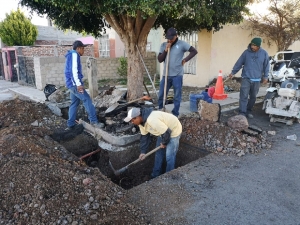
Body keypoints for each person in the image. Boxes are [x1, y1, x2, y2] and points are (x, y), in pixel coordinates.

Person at [124, 107, 182, 178]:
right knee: (158, 154)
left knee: (169, 156)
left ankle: (169, 176)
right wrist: (143, 151)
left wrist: (164, 143)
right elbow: (144, 137)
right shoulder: (141, 123)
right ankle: (155, 175)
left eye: (132, 121)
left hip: (173, 130)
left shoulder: (152, 120)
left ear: (137, 117)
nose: (132, 123)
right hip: (163, 131)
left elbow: (167, 132)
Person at [157, 27, 198, 117]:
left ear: (176, 36)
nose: (169, 40)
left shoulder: (182, 44)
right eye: (168, 38)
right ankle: (160, 110)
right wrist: (165, 50)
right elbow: (160, 59)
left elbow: (194, 51)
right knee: (161, 94)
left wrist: (185, 59)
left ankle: (175, 113)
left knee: (177, 96)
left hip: (177, 75)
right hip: (166, 75)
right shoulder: (164, 45)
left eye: (171, 38)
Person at [64, 40, 104, 129]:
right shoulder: (74, 55)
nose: (83, 51)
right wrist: (78, 84)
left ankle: (70, 124)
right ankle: (94, 122)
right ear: (78, 48)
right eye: (82, 49)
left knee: (74, 103)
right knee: (87, 100)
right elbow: (74, 71)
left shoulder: (71, 55)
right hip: (74, 84)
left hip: (70, 84)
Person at [229, 37, 269, 118]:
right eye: (252, 45)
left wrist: (265, 76)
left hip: (257, 79)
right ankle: (242, 113)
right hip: (246, 78)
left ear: (259, 46)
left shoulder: (264, 53)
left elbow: (266, 66)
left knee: (253, 97)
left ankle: (249, 110)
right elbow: (239, 63)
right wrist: (233, 72)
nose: (252, 47)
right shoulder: (246, 53)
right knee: (243, 96)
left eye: (255, 46)